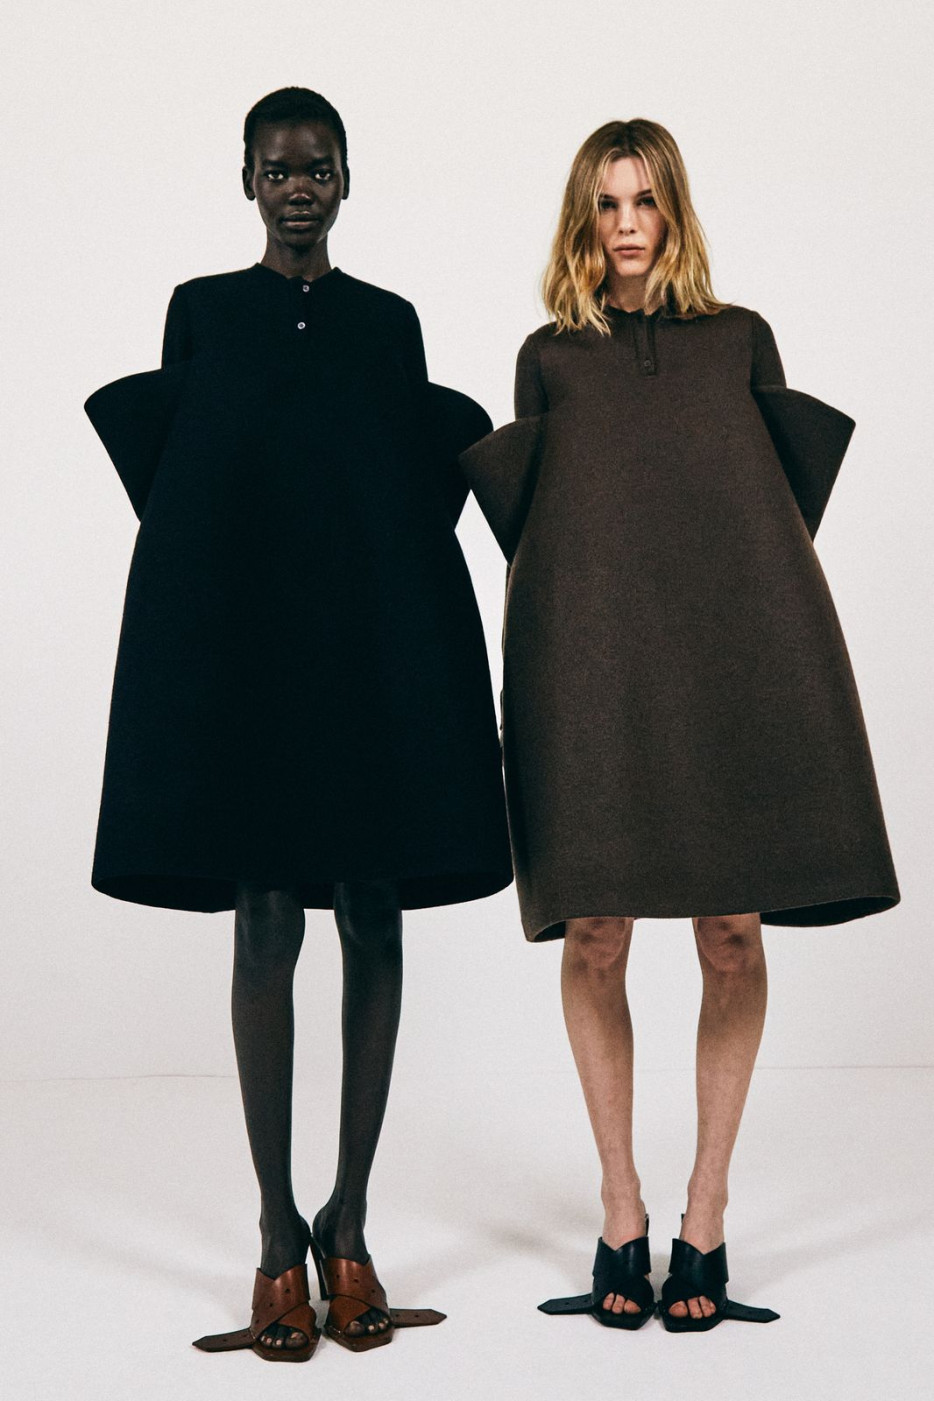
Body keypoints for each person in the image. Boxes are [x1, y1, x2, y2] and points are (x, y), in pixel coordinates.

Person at [85, 86, 512, 1361]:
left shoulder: (389, 323)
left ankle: (350, 1224)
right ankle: (277, 1236)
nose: (297, 189)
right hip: (252, 668)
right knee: (266, 918)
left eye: (317, 168)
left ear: (346, 179)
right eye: (277, 170)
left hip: (369, 662)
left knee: (373, 911)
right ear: (246, 182)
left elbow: (406, 499)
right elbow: (186, 495)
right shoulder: (203, 311)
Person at [459, 118, 899, 1332]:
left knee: (732, 937)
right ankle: (621, 1211)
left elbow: (771, 520)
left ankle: (705, 1216)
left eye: (644, 200)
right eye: (606, 204)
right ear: (581, 219)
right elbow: (541, 540)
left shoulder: (738, 340)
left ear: (675, 211)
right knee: (594, 933)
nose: (627, 225)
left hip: (726, 657)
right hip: (592, 670)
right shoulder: (548, 358)